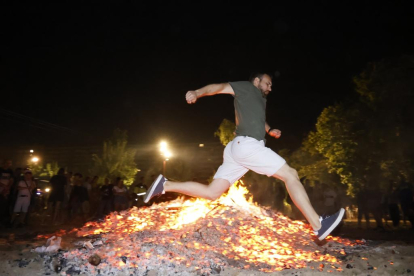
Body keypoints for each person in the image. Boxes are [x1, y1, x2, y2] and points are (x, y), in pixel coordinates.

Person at [144, 73, 345, 240]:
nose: (270, 87)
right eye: (268, 83)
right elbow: (219, 87)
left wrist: (269, 129)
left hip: (236, 149)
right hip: (246, 145)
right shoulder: (247, 88)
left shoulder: (260, 100)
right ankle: (318, 224)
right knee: (290, 174)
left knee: (213, 192)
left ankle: (165, 185)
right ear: (256, 81)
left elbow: (259, 119)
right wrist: (197, 92)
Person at [0, 159, 14, 224]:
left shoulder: (10, 171)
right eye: (7, 163)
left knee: (5, 205)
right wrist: (3, 186)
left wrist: (8, 187)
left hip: (6, 190)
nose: (9, 165)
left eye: (10, 163)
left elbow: (11, 180)